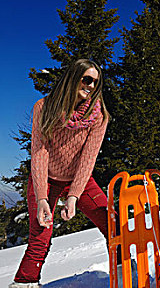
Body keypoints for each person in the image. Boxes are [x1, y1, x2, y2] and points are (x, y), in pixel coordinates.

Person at [9, 59, 110, 288]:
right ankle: (25, 283)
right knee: (40, 236)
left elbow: (88, 158)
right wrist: (42, 197)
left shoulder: (99, 116)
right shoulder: (44, 107)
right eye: (86, 79)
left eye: (96, 82)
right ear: (73, 78)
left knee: (110, 222)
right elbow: (39, 152)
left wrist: (73, 196)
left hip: (79, 180)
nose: (91, 86)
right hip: (46, 180)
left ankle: (123, 269)